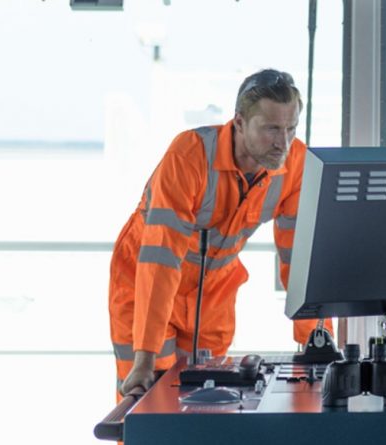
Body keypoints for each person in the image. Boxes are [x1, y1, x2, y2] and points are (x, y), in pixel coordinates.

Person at [108, 68, 331, 396]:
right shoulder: (189, 156)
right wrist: (145, 357)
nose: (283, 142)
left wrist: (315, 339)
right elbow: (161, 259)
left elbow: (299, 258)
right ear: (239, 122)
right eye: (271, 129)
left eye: (291, 128)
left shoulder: (295, 163)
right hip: (144, 284)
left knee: (209, 398)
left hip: (214, 292)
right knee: (148, 399)